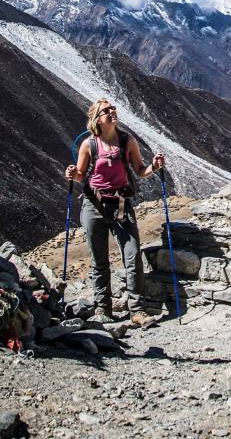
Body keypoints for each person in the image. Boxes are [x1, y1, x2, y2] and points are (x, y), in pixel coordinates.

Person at [65, 98, 165, 327]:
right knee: (99, 260)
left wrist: (155, 167)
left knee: (132, 255)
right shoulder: (89, 145)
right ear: (96, 118)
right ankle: (103, 309)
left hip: (121, 204)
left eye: (113, 109)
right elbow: (81, 175)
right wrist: (72, 174)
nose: (112, 112)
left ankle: (136, 311)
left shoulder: (126, 141)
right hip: (94, 204)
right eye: (106, 111)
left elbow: (140, 170)